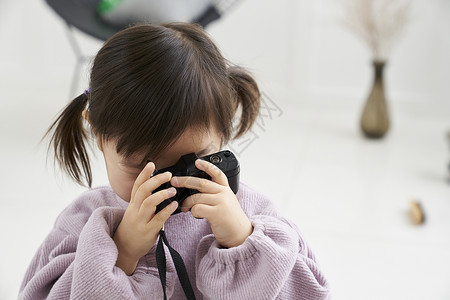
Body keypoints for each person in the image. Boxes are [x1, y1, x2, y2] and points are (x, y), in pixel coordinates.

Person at [19, 23, 329, 299]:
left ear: (222, 135)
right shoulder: (82, 221)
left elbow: (308, 291)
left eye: (192, 161)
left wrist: (242, 244)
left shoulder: (253, 215)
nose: (171, 183)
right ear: (97, 134)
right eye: (142, 167)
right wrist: (121, 252)